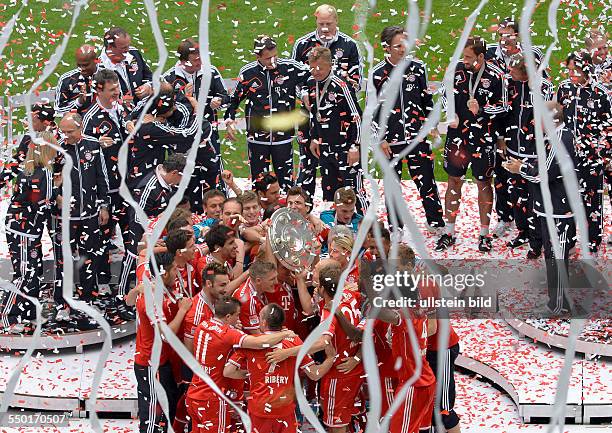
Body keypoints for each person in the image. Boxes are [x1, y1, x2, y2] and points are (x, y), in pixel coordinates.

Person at [503, 101, 579, 314]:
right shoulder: (556, 137)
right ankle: (555, 301)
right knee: (552, 255)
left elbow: (543, 174)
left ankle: (559, 305)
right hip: (550, 208)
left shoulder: (560, 140)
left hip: (559, 211)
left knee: (557, 257)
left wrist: (521, 168)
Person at [437, 36, 509, 253]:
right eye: (463, 56)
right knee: (453, 181)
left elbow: (504, 107)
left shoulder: (496, 76)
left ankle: (484, 234)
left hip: (483, 138)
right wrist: (451, 114)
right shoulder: (456, 70)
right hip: (457, 136)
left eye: (469, 57)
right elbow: (443, 93)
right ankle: (449, 231)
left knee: (484, 183)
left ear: (481, 56)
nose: (464, 60)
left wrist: (483, 111)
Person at [372, 25, 445, 233]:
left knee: (427, 181)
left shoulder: (418, 67)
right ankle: (396, 227)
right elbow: (372, 111)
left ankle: (435, 222)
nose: (403, 49)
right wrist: (380, 138)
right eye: (397, 46)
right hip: (389, 142)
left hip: (416, 138)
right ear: (387, 48)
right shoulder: (377, 74)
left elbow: (426, 101)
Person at [185, 297, 296, 433]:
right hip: (212, 398)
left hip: (194, 393)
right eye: (237, 315)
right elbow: (262, 343)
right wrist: (284, 334)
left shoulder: (203, 325)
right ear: (227, 316)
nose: (239, 318)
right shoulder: (228, 334)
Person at [224, 303, 335, 433]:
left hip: (259, 409)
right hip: (285, 410)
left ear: (264, 322)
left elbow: (228, 371)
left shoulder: (250, 343)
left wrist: (251, 373)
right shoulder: (295, 341)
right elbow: (315, 374)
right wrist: (330, 358)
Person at [292, 4, 364, 197]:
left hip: (337, 118)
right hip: (309, 118)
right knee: (306, 169)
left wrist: (336, 85)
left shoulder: (349, 45)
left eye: (328, 24)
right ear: (315, 20)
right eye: (321, 23)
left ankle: (347, 215)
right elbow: (294, 80)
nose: (324, 28)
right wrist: (305, 93)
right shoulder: (302, 44)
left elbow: (357, 83)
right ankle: (303, 215)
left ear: (336, 21)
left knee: (341, 174)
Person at [225, 35, 309, 190]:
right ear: (257, 56)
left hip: (284, 137)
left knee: (286, 183)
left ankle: (285, 213)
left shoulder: (290, 68)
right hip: (257, 138)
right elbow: (234, 100)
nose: (272, 61)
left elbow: (314, 77)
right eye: (268, 58)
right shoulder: (248, 73)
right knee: (259, 184)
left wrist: (305, 93)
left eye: (275, 56)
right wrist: (229, 121)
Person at [53, 113, 110, 321]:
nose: (66, 135)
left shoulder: (93, 146)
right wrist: (57, 198)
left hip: (90, 214)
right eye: (63, 131)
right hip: (65, 218)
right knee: (64, 261)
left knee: (89, 258)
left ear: (81, 127)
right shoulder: (57, 149)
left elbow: (102, 177)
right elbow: (51, 181)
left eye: (70, 131)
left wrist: (104, 206)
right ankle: (63, 304)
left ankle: (87, 299)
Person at [500, 53, 554, 258]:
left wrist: (533, 88)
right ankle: (522, 232)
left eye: (514, 70)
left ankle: (537, 241)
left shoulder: (545, 87)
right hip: (514, 149)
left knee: (535, 199)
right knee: (516, 195)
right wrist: (502, 138)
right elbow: (505, 113)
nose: (509, 72)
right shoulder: (510, 84)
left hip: (534, 153)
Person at [556, 51, 611, 254]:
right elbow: (558, 118)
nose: (571, 74)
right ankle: (568, 240)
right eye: (569, 70)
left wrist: (603, 155)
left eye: (576, 70)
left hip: (593, 158)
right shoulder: (564, 89)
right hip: (568, 156)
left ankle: (592, 240)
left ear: (586, 68)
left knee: (591, 200)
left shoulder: (600, 94)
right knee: (567, 198)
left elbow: (608, 127)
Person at [2, 131, 57, 329]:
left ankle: (27, 312)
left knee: (33, 271)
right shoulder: (43, 173)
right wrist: (59, 195)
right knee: (24, 274)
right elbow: (42, 204)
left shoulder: (30, 170)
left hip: (25, 229)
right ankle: (8, 316)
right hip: (23, 230)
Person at [82, 69, 131, 287]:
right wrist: (96, 145)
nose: (116, 93)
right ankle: (102, 286)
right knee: (102, 239)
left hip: (126, 185)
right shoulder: (91, 118)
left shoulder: (121, 109)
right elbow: (82, 155)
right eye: (112, 90)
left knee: (131, 234)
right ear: (98, 89)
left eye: (117, 88)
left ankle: (127, 282)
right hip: (107, 190)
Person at [133, 252, 192, 433]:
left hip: (162, 363)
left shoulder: (158, 285)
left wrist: (135, 290)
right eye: (174, 269)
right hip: (151, 365)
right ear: (164, 273)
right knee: (153, 420)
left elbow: (142, 257)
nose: (178, 272)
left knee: (167, 412)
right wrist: (182, 310)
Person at [117, 153, 187, 305]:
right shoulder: (149, 188)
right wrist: (149, 235)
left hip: (156, 230)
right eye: (182, 176)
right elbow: (137, 216)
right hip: (140, 231)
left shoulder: (165, 183)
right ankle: (122, 298)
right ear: (174, 173)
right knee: (132, 258)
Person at [306, 46, 369, 213]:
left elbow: (357, 117)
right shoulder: (311, 84)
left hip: (346, 149)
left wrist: (354, 146)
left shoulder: (341, 86)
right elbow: (315, 114)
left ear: (330, 65)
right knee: (330, 192)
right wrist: (314, 137)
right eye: (311, 67)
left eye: (319, 67)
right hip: (325, 149)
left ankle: (368, 229)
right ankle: (334, 231)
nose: (315, 71)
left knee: (353, 191)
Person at [163, 37, 230, 158]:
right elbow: (162, 109)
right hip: (180, 137)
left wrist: (219, 101)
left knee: (214, 172)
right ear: (183, 61)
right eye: (195, 60)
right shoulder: (168, 79)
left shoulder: (211, 72)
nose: (200, 63)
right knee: (182, 175)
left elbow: (226, 96)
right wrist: (181, 97)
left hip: (208, 133)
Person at [2, 103, 57, 184]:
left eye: (33, 120)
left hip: (51, 189)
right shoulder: (28, 137)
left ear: (46, 123)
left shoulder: (60, 140)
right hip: (29, 187)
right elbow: (17, 162)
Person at [100, 27, 153, 110]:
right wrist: (120, 103)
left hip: (142, 111)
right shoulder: (99, 69)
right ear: (110, 47)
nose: (127, 50)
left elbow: (150, 76)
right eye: (123, 48)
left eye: (128, 46)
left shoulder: (134, 54)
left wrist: (147, 86)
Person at [232, 260, 278, 333]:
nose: (276, 282)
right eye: (272, 279)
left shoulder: (261, 288)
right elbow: (257, 335)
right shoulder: (247, 300)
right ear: (258, 281)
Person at [55, 44, 100, 115]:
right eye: (79, 65)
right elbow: (59, 109)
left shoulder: (108, 76)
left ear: (96, 61)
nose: (82, 69)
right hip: (77, 123)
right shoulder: (66, 79)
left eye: (86, 65)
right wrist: (79, 102)